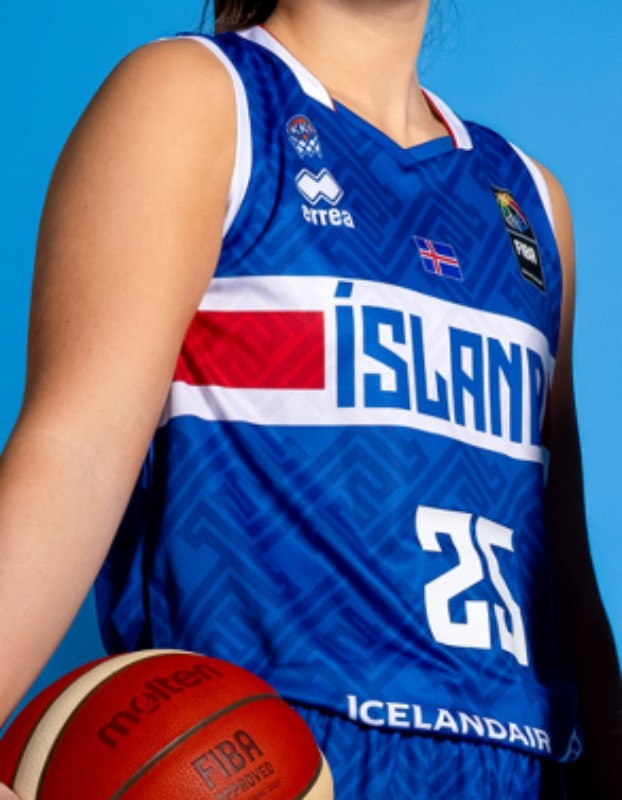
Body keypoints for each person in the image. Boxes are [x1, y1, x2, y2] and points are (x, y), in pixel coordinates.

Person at [0, 0, 620, 797]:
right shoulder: (204, 97)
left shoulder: (530, 201)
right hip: (274, 756)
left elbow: (564, 573)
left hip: (520, 768)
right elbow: (74, 456)